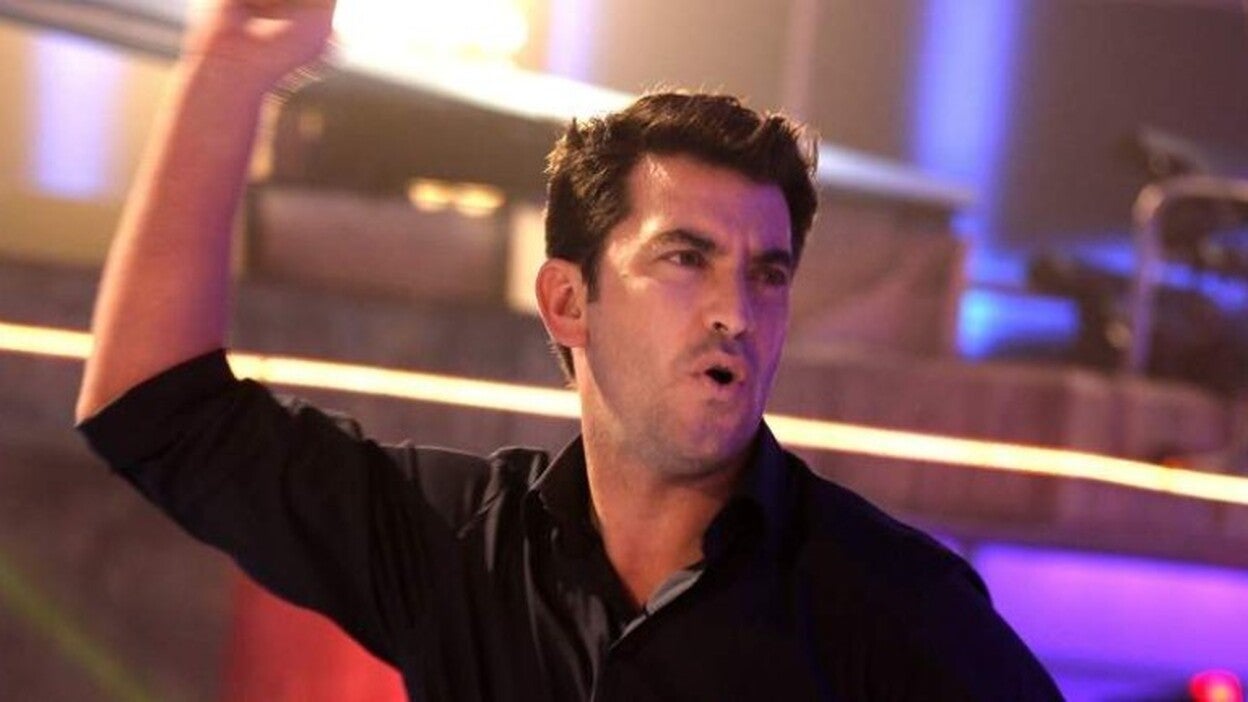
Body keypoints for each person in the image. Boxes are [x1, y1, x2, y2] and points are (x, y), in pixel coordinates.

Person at [75, 0, 1064, 699]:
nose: (736, 310)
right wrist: (228, 67)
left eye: (768, 273)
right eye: (686, 257)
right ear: (566, 302)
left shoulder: (891, 602)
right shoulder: (462, 548)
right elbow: (155, 413)